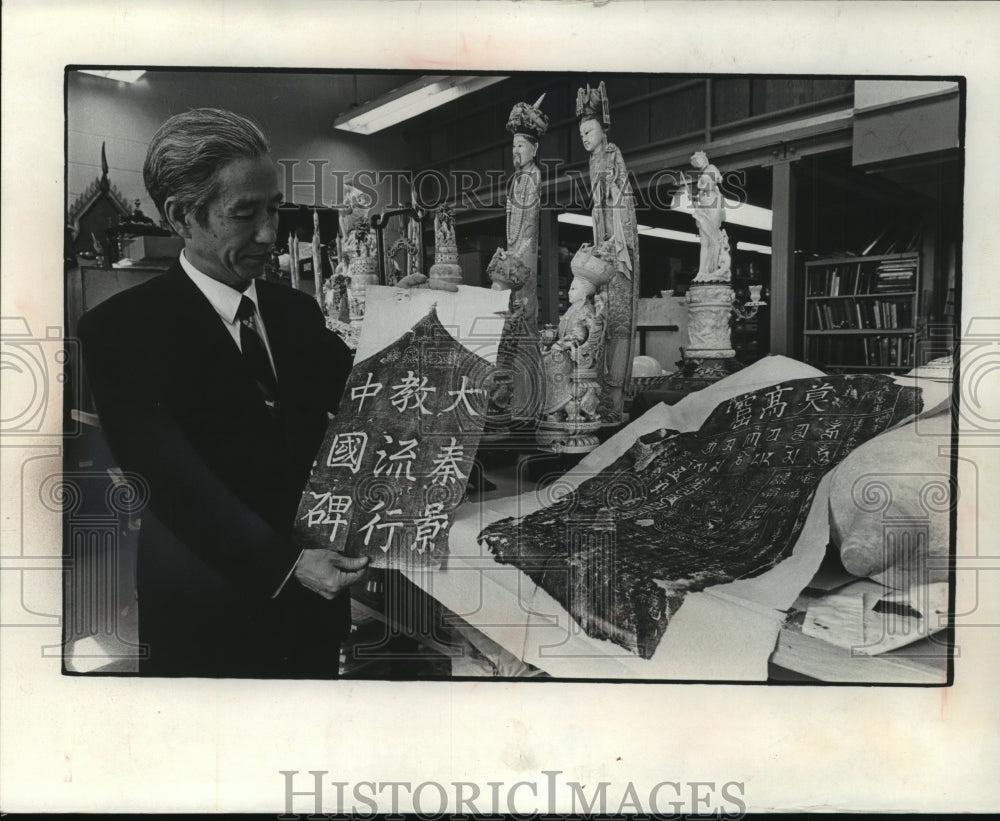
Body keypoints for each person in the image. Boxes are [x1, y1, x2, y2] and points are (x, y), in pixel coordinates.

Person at [77, 108, 368, 678]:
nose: (269, 233)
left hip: (312, 610)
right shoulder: (121, 330)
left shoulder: (295, 312)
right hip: (207, 612)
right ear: (182, 217)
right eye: (244, 214)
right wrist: (289, 565)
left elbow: (368, 396)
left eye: (274, 208)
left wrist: (418, 322)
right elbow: (171, 482)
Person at [575, 81, 640, 426]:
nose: (584, 137)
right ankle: (599, 397)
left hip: (617, 249)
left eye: (589, 130)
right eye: (582, 133)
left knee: (617, 325)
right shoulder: (594, 159)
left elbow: (619, 203)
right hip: (603, 243)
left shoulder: (612, 154)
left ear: (603, 129)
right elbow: (598, 208)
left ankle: (614, 399)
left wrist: (613, 241)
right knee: (601, 323)